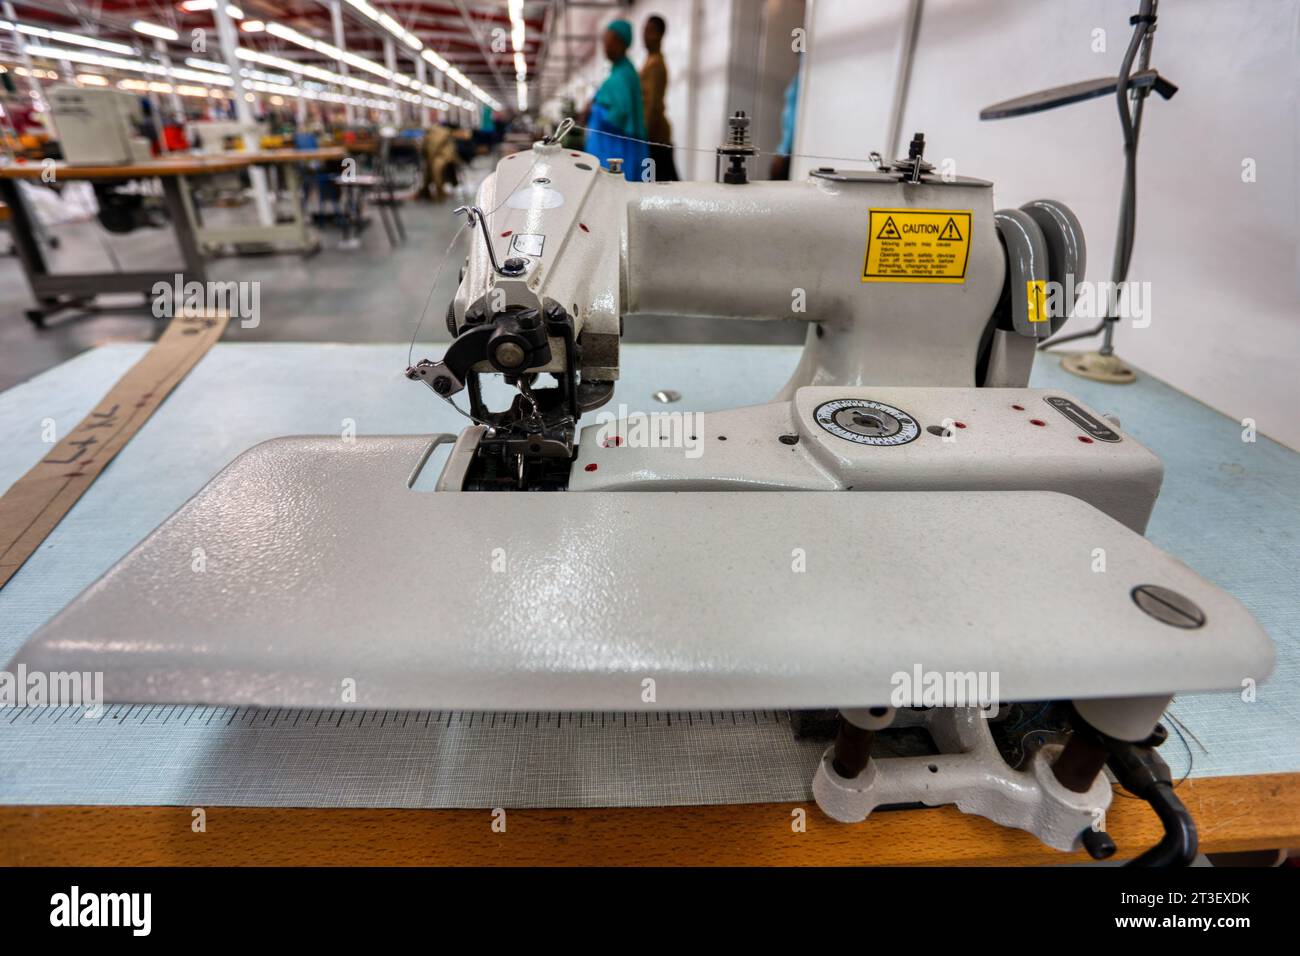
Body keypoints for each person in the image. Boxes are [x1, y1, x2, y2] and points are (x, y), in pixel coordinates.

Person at [583, 19, 648, 181]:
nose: (605, 47)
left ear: (621, 43)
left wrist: (594, 109)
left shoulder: (623, 75)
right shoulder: (619, 72)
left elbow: (618, 114)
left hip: (617, 151)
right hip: (612, 149)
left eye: (609, 41)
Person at [639, 15, 677, 181]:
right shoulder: (649, 61)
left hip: (655, 135)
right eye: (644, 31)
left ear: (659, 35)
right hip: (655, 134)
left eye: (649, 31)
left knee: (662, 183)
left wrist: (643, 136)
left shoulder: (655, 64)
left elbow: (652, 105)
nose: (644, 36)